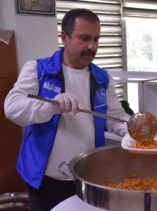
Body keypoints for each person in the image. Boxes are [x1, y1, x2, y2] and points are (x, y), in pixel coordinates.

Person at [4, 9, 130, 211]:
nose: (92, 46)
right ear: (64, 37)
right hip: (45, 177)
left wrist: (130, 128)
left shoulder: (103, 77)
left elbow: (113, 115)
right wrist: (51, 105)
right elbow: (12, 107)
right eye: (84, 38)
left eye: (96, 39)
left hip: (87, 175)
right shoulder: (38, 69)